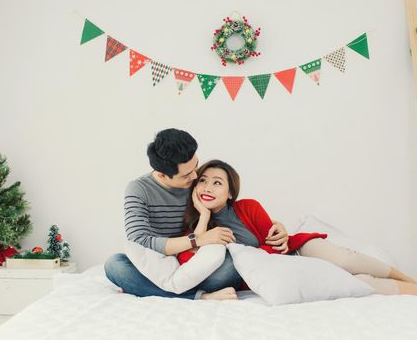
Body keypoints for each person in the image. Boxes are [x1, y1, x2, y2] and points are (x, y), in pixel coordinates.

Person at [178, 159, 417, 313]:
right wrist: (203, 218)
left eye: (218, 183)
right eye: (202, 180)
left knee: (346, 259)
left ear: (231, 192)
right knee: (360, 286)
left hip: (297, 252)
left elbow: (277, 243)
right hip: (288, 272)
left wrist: (280, 232)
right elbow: (191, 267)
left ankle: (412, 281)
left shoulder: (248, 207)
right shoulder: (191, 230)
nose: (208, 186)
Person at [104, 128, 289, 300]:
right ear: (161, 175)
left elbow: (225, 209)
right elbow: (139, 241)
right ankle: (201, 297)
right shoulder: (139, 189)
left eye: (196, 167)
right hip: (160, 264)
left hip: (197, 263)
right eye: (186, 175)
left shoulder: (193, 179)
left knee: (230, 265)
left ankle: (146, 288)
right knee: (115, 265)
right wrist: (197, 240)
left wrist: (274, 224)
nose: (194, 177)